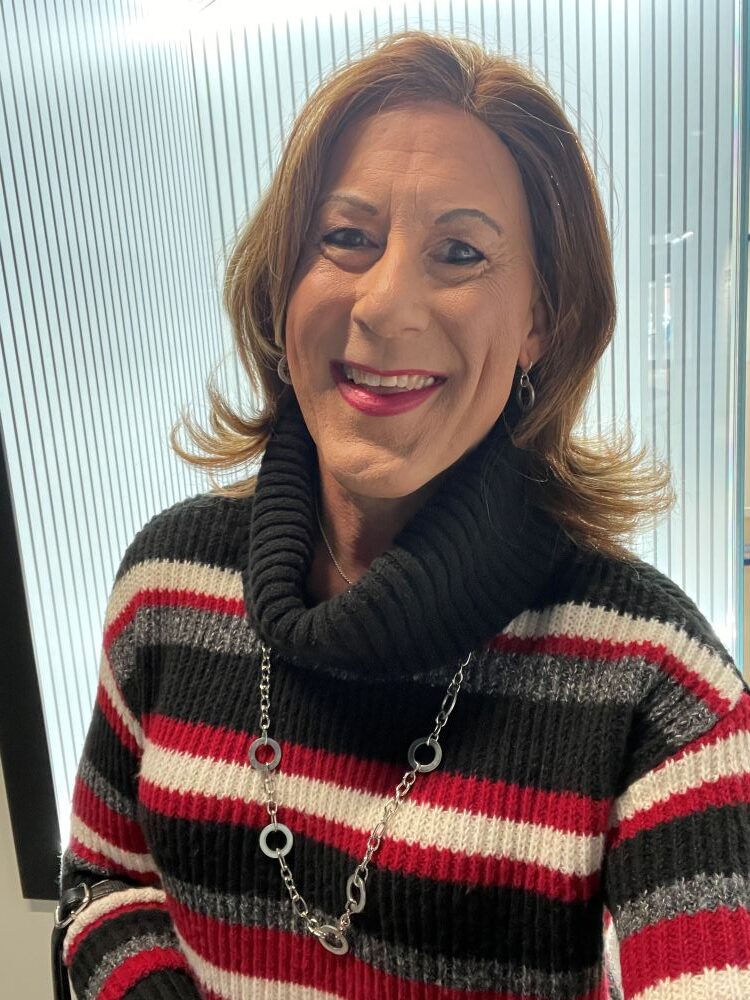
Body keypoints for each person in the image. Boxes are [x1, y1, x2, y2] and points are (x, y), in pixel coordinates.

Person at [54, 30, 750, 1000]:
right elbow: (103, 886)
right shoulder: (166, 588)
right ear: (283, 280)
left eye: (459, 252)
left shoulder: (661, 690)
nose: (385, 306)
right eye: (346, 238)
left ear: (541, 320)